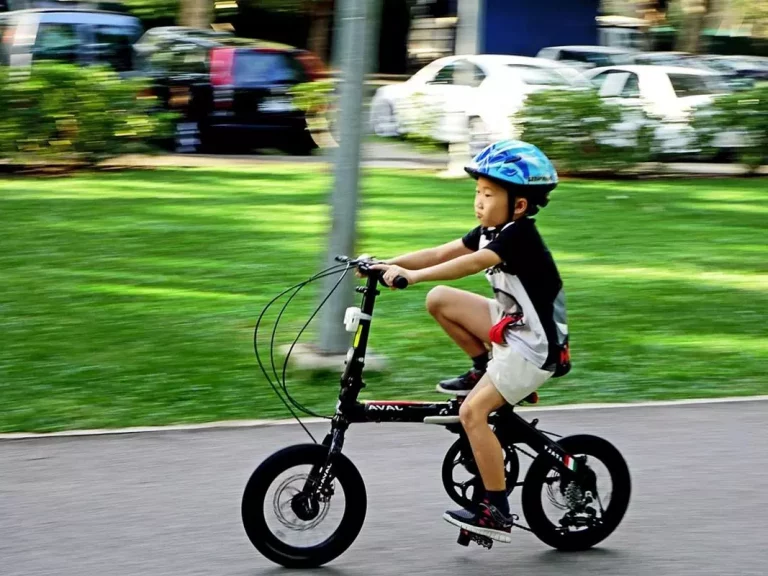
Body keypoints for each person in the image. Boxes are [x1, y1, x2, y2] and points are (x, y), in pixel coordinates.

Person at [370, 139, 570, 542]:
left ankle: (495, 509)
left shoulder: (518, 237)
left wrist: (411, 276)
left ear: (518, 204)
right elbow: (442, 251)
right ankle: (483, 368)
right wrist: (388, 262)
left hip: (533, 347)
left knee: (472, 415)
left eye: (488, 193)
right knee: (439, 300)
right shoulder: (490, 230)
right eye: (477, 192)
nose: (478, 200)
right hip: (512, 326)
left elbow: (469, 264)